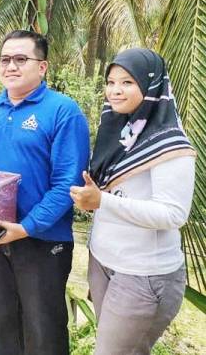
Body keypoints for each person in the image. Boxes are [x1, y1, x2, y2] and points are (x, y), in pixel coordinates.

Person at [0, 30, 90, 355]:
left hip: (42, 240)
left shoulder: (63, 111)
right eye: (5, 59)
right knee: (1, 325)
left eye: (21, 59)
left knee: (43, 331)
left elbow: (68, 183)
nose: (11, 66)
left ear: (43, 67)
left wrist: (26, 227)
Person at [70, 48, 195, 355]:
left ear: (151, 85)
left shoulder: (169, 142)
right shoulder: (119, 131)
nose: (115, 90)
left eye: (127, 82)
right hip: (104, 264)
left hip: (143, 274)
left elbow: (173, 214)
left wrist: (102, 202)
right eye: (110, 82)